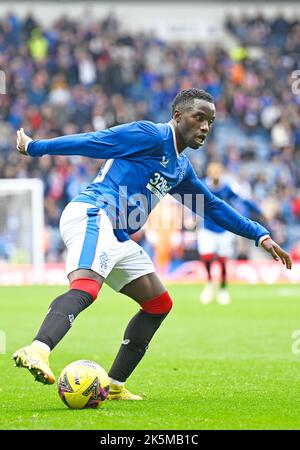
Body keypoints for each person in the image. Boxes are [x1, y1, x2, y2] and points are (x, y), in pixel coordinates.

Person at [13, 88, 292, 400]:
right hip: (94, 213)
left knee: (159, 304)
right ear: (177, 116)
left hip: (119, 235)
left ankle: (114, 385)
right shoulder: (150, 135)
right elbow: (96, 141)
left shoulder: (180, 168)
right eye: (199, 118)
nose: (205, 127)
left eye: (210, 122)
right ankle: (37, 349)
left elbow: (211, 206)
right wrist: (37, 148)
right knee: (86, 289)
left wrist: (259, 234)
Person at [198, 162, 264, 305]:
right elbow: (193, 201)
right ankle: (209, 284)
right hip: (207, 228)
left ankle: (222, 288)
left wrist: (258, 210)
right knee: (207, 258)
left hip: (223, 229)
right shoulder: (202, 185)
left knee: (222, 261)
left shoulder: (227, 187)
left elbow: (242, 199)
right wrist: (191, 216)